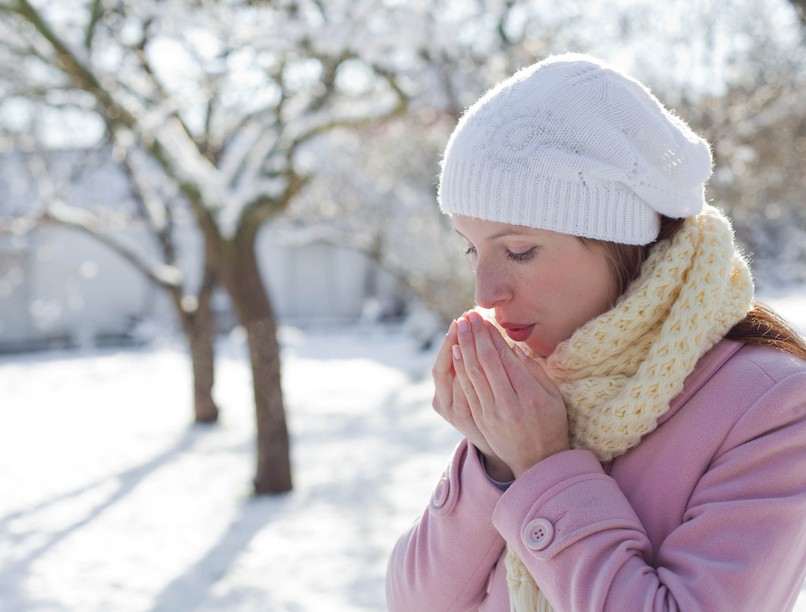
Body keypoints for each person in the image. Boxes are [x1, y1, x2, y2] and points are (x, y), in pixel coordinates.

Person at [386, 53, 806, 611]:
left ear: (619, 241)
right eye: (472, 249)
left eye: (518, 251)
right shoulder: (544, 376)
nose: (486, 293)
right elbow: (416, 604)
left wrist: (542, 467)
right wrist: (492, 461)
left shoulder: (771, 407)